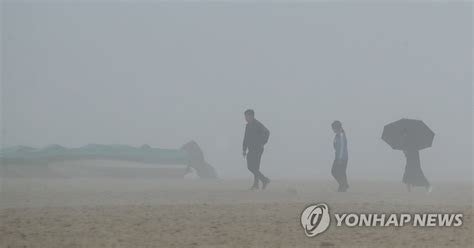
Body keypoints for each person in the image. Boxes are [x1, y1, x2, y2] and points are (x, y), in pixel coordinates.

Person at [242, 109, 270, 190]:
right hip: (251, 149)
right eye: (245, 116)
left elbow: (267, 132)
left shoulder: (257, 124)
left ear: (251, 116)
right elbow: (245, 138)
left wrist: (262, 143)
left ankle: (262, 181)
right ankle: (260, 182)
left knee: (253, 167)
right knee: (252, 167)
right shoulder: (248, 126)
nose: (246, 118)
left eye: (247, 116)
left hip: (258, 149)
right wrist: (244, 149)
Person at [331, 120, 349, 192]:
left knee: (335, 171)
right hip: (339, 156)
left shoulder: (341, 135)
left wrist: (340, 158)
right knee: (341, 172)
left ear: (337, 128)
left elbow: (341, 147)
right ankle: (343, 186)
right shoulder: (338, 134)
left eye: (333, 128)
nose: (333, 130)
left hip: (342, 157)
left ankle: (343, 185)